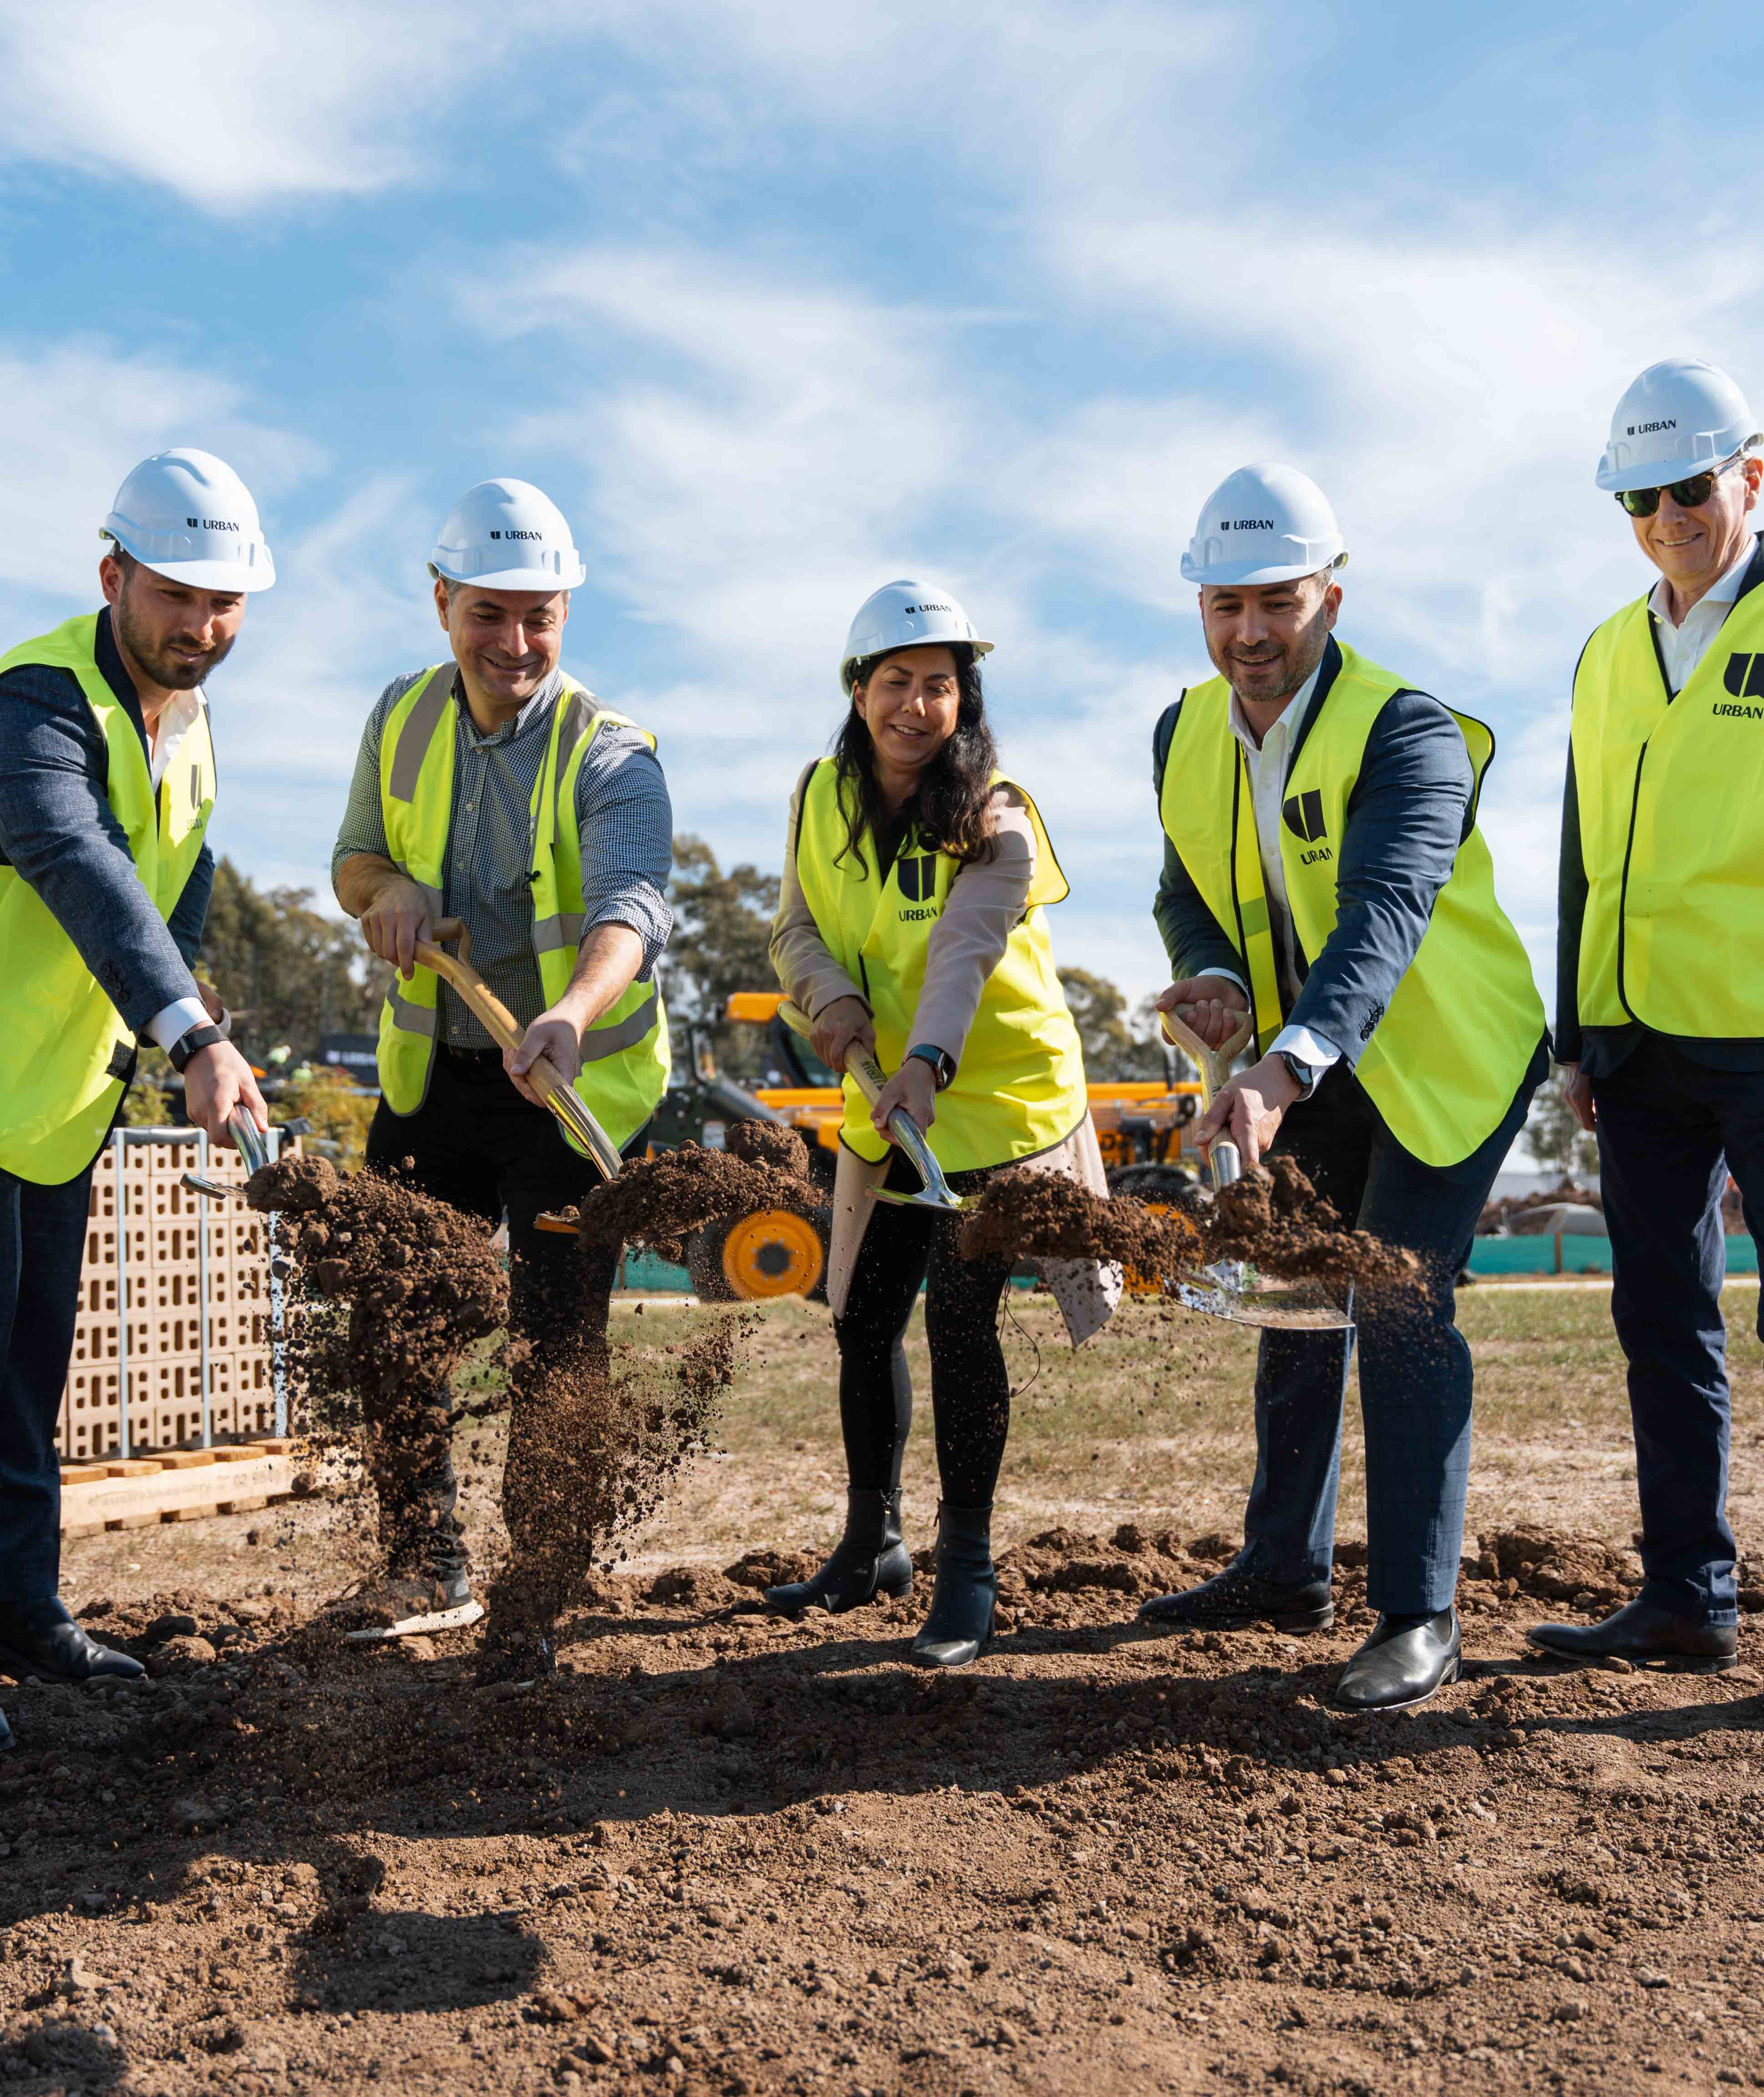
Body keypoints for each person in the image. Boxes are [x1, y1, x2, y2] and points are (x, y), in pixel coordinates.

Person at [1140, 464, 1547, 1712]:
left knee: (1402, 1306)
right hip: (1308, 1061)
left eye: (1277, 601)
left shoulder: (1407, 730)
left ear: (1330, 591)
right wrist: (1208, 972)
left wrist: (1282, 1064)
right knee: (1292, 1301)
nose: (1249, 633)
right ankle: (1282, 1566)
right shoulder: (1181, 732)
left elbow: (1382, 918)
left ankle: (1421, 1614)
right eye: (1225, 605)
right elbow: (1188, 888)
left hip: (1441, 1056)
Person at [330, 478, 672, 1661]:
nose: (515, 642)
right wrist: (390, 895)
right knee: (394, 1311)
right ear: (441, 603)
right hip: (440, 1079)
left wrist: (574, 1011)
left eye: (539, 614)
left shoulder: (614, 752)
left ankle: (541, 1585)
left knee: (555, 1338)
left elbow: (633, 905)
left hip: (571, 1095)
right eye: (489, 613)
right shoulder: (402, 717)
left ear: (569, 609)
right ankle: (424, 1559)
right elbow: (356, 860)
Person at [763, 580, 1117, 1669]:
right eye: (897, 684)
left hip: (997, 1098)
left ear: (967, 698)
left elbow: (966, 946)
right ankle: (873, 1543)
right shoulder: (820, 795)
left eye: (942, 686)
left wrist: (925, 1058)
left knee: (964, 1323)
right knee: (863, 1318)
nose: (920, 706)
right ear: (857, 692)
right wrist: (831, 1002)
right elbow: (796, 927)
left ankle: (969, 1572)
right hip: (885, 1093)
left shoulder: (995, 814)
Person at [0, 450, 272, 1696]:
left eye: (224, 603)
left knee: (25, 1387)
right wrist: (189, 1036)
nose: (202, 626)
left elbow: (176, 896)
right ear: (113, 574)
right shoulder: (36, 703)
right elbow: (79, 861)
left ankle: (22, 1619)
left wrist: (207, 1024)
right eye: (175, 594)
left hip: (52, 1110)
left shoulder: (193, 728)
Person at [1531, 359, 1764, 1670]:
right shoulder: (1608, 650)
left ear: (1751, 471)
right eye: (1639, 497)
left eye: (1688, 486)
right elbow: (1580, 848)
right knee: (1664, 1325)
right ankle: (1687, 1598)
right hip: (1636, 1044)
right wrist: (1576, 1033)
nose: (1667, 515)